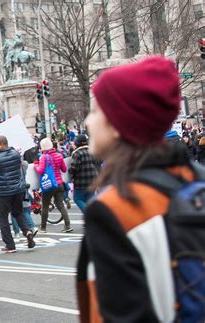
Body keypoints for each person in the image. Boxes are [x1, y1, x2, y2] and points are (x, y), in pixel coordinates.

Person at [76, 56, 195, 322]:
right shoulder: (196, 181)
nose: (87, 122)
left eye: (95, 112)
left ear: (117, 124)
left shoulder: (114, 209)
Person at [0, 135, 36, 253]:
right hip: (18, 190)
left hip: (3, 191)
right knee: (18, 212)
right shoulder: (16, 154)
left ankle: (10, 245)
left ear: (1, 145)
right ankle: (27, 231)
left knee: (3, 218)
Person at [34, 138, 72, 233]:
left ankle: (43, 228)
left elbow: (40, 170)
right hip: (59, 184)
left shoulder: (43, 157)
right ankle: (67, 225)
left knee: (45, 206)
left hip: (49, 185)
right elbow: (64, 169)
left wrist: (35, 165)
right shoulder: (59, 155)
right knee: (60, 205)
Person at [68, 134, 100, 215]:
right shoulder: (92, 151)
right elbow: (99, 162)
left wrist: (69, 171)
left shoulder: (77, 153)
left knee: (77, 199)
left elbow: (74, 168)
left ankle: (89, 216)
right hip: (93, 180)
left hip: (81, 181)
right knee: (89, 201)